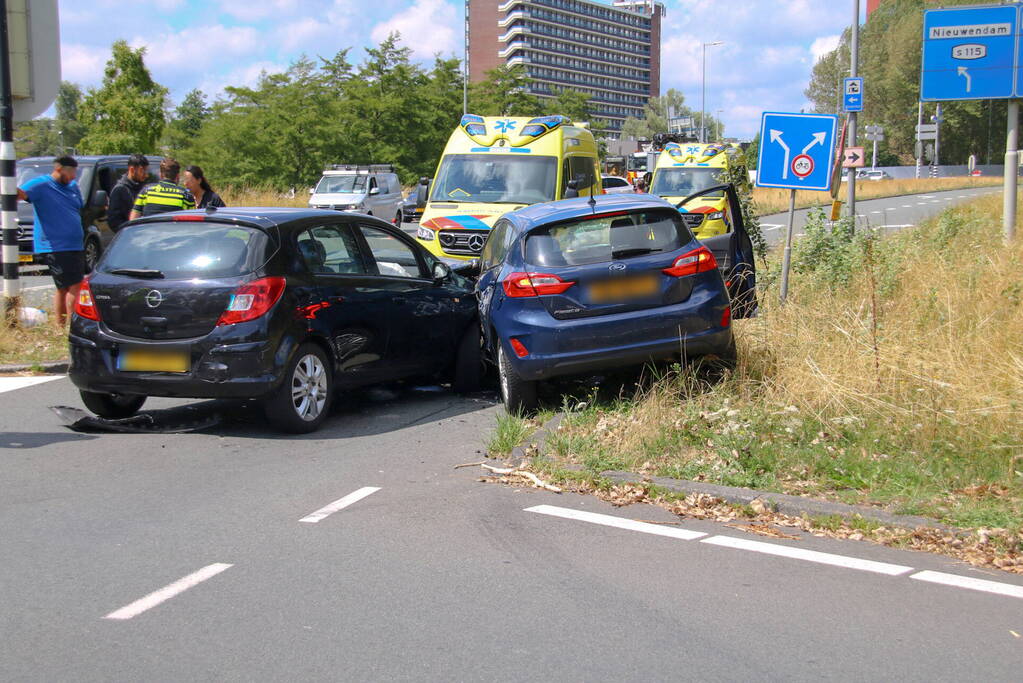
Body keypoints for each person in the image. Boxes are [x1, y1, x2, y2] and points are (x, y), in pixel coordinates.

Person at [17, 156, 85, 327]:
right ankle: (73, 327)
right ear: (59, 169)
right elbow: (19, 193)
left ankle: (60, 326)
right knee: (75, 286)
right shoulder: (41, 184)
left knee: (63, 288)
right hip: (56, 245)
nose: (74, 176)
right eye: (71, 172)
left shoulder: (73, 187)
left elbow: (78, 207)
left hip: (74, 244)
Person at [129, 157, 195, 219]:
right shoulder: (186, 195)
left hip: (148, 230)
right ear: (178, 176)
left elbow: (134, 218)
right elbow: (192, 222)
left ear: (160, 174)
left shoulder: (146, 191)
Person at [107, 154, 149, 233]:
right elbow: (114, 222)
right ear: (132, 170)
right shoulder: (120, 190)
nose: (146, 175)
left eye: (146, 170)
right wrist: (130, 231)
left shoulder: (143, 188)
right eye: (142, 171)